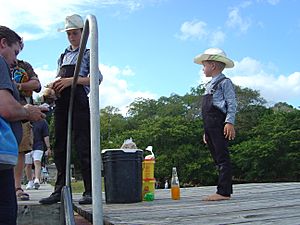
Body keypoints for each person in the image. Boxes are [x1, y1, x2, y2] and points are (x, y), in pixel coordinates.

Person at [39, 14, 103, 205]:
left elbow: (96, 78)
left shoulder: (87, 53)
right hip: (62, 101)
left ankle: (90, 191)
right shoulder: (63, 55)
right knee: (59, 145)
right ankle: (59, 189)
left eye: (75, 33)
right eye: (69, 34)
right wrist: (53, 87)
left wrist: (71, 80)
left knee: (83, 144)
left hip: (79, 100)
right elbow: (60, 77)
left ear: (83, 34)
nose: (71, 37)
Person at [0, 25, 47, 225]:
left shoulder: (21, 66)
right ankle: (16, 186)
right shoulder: (1, 63)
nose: (14, 59)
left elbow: (37, 84)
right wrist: (28, 111)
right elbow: (7, 109)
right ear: (3, 43)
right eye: (15, 52)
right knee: (5, 209)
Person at [194, 48, 237, 201]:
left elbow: (231, 103)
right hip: (209, 124)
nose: (203, 68)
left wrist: (229, 122)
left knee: (222, 156)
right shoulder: (209, 85)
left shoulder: (225, 82)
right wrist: (206, 131)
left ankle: (224, 192)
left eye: (204, 65)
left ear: (212, 65)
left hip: (219, 122)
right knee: (217, 158)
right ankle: (222, 188)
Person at [12, 59, 41, 200]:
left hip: (22, 111)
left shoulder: (24, 66)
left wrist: (17, 86)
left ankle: (17, 187)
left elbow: (36, 85)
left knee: (21, 150)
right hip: (3, 108)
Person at [25, 119, 51, 190]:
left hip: (38, 145)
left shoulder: (43, 122)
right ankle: (30, 181)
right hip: (27, 145)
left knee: (37, 161)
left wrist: (48, 147)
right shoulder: (25, 120)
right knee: (28, 164)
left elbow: (46, 135)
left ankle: (37, 179)